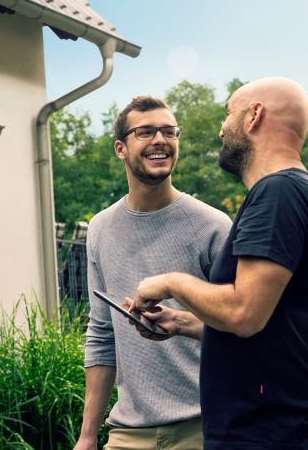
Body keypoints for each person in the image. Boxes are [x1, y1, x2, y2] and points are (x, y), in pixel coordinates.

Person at [130, 78, 308, 449]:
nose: (220, 128)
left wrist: (170, 282)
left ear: (254, 116)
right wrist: (179, 322)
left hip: (271, 436)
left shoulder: (278, 192)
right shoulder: (298, 192)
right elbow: (273, 327)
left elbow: (244, 313)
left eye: (229, 113)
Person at [75, 96, 232, 450]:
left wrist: (182, 323)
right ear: (121, 148)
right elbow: (101, 336)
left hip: (203, 428)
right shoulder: (100, 229)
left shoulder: (212, 226)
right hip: (128, 433)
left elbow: (243, 327)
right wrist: (87, 437)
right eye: (145, 132)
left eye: (169, 131)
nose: (160, 139)